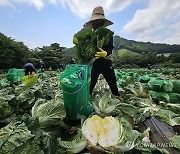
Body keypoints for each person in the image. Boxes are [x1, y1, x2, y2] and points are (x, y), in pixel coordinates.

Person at [84, 6, 121, 97]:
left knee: (113, 84)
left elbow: (110, 48)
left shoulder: (108, 34)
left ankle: (117, 98)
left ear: (103, 22)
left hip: (106, 64)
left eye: (99, 21)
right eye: (95, 22)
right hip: (94, 64)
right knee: (90, 85)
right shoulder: (89, 36)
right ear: (92, 23)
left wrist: (106, 53)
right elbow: (84, 50)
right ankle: (86, 101)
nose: (97, 23)